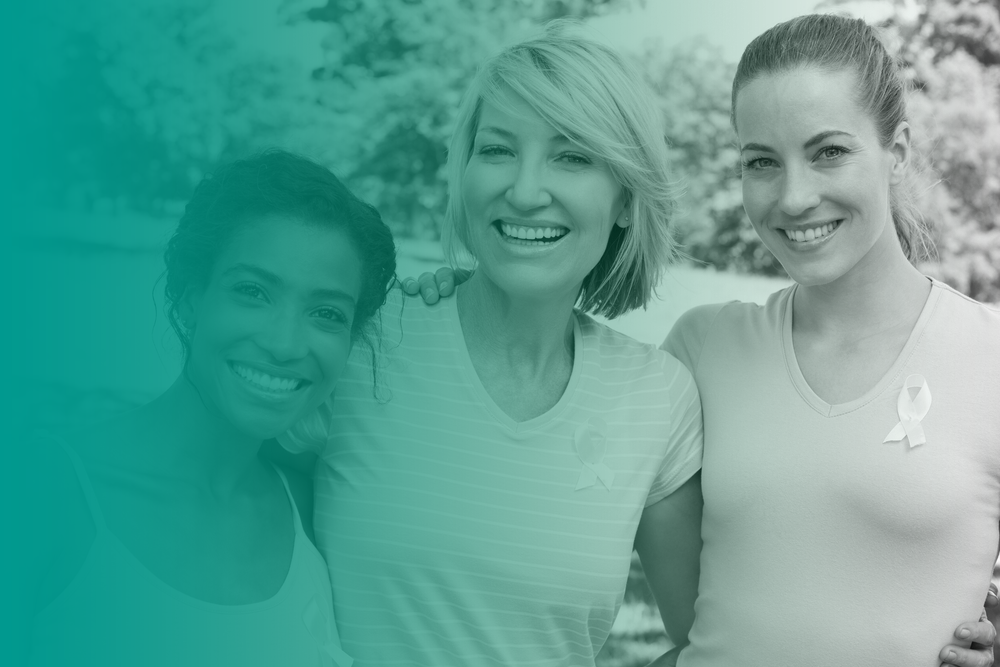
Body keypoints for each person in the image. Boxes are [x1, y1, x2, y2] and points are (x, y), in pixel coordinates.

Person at [408, 14, 1000, 667]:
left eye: (828, 151)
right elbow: (529, 489)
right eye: (761, 162)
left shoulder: (988, 354)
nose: (794, 196)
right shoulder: (701, 350)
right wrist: (461, 302)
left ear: (899, 150)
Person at [280, 24, 704, 666]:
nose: (527, 191)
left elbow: (714, 639)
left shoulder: (656, 397)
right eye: (499, 150)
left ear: (626, 198)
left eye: (573, 156)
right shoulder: (363, 341)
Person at [4, 149, 396, 666]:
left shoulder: (308, 510)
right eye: (253, 291)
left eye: (326, 313)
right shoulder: (43, 493)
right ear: (190, 298)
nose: (285, 343)